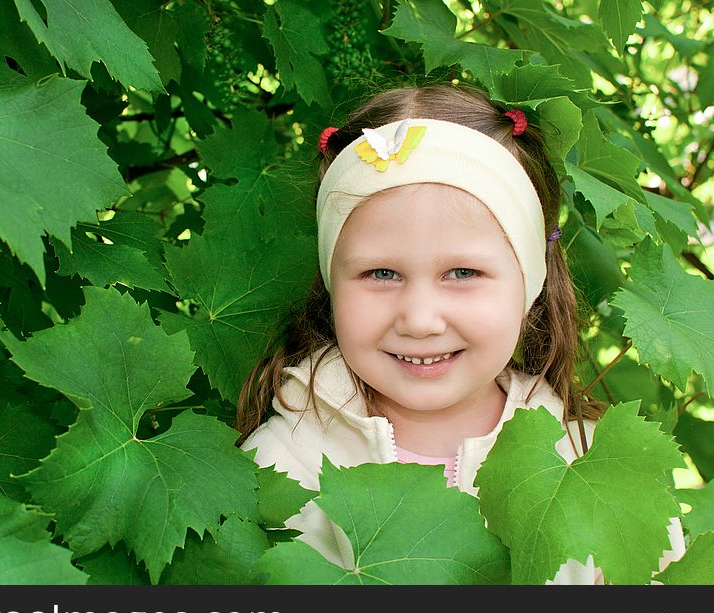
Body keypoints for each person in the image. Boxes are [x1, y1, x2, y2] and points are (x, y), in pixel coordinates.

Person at [235, 84, 685, 584]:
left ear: (529, 282)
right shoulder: (278, 463)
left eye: (463, 273)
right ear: (331, 283)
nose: (420, 319)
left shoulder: (593, 465)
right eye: (381, 274)